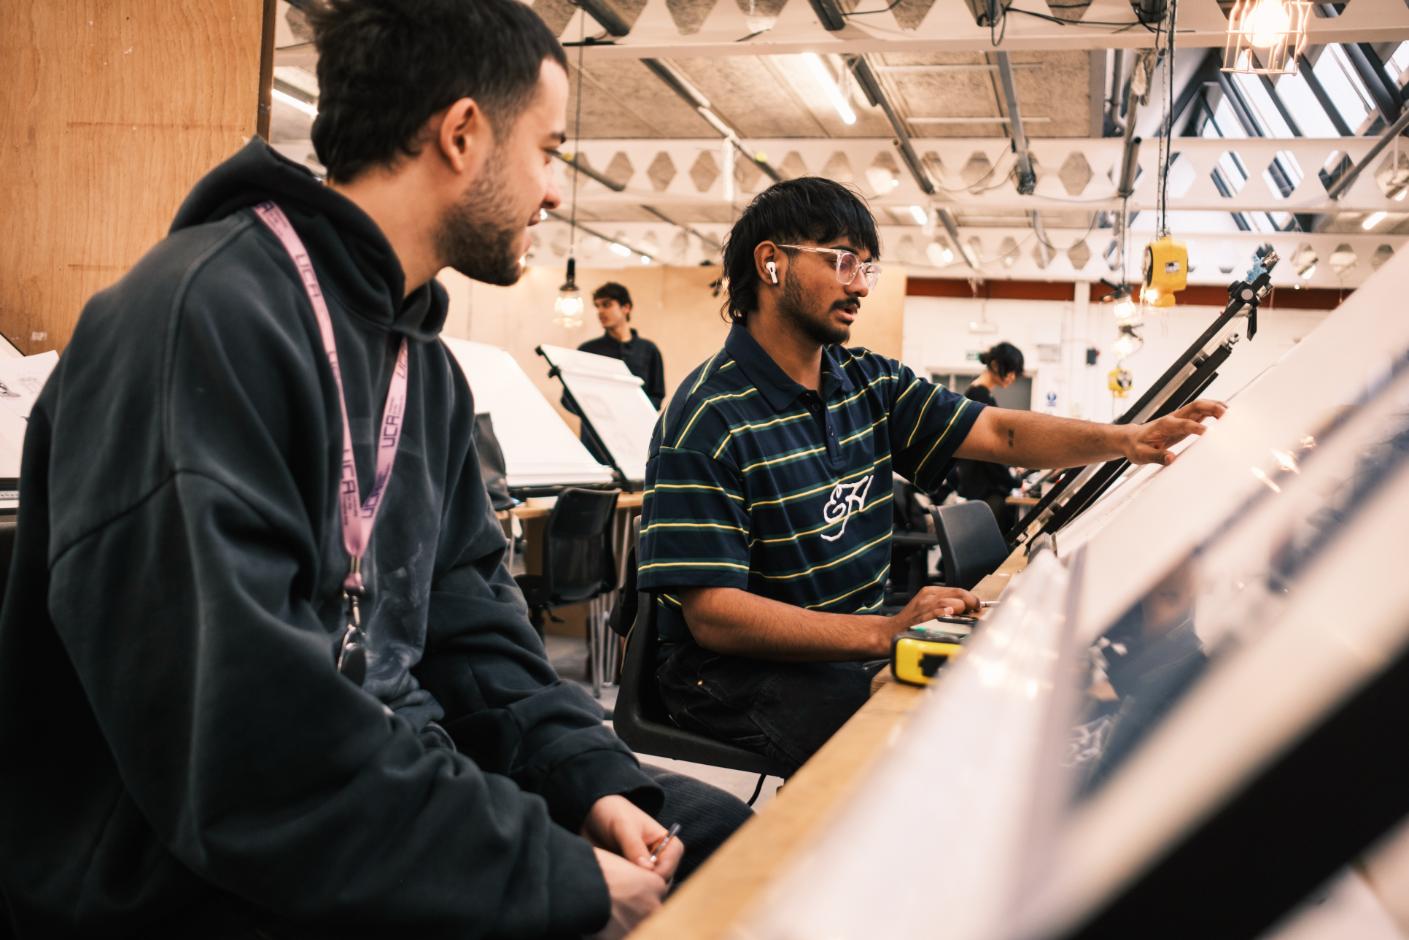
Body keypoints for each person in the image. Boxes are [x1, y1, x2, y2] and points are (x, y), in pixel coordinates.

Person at [0, 2, 748, 937]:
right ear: (463, 134)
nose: (555, 192)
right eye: (549, 150)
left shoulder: (421, 364)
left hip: (372, 781)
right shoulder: (196, 321)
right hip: (192, 865)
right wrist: (546, 871)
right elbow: (242, 751)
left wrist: (589, 782)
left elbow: (475, 628)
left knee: (714, 835)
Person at [637, 177, 1224, 777]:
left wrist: (1125, 439)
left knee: (981, 708)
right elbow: (713, 614)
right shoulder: (707, 417)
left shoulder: (867, 382)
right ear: (771, 264)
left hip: (841, 644)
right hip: (731, 673)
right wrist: (883, 632)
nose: (861, 284)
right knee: (921, 758)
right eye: (843, 261)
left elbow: (1000, 434)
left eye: (867, 267)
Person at [567, 282, 666, 464]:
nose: (600, 312)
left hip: (634, 441)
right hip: (596, 445)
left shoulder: (649, 350)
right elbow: (568, 398)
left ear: (626, 307)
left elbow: (657, 396)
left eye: (607, 304)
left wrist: (631, 410)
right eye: (597, 306)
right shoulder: (587, 350)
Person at [955, 341, 1026, 532]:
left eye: (1015, 373)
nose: (1012, 377)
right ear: (995, 366)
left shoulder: (982, 394)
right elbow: (989, 450)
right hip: (982, 488)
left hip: (981, 484)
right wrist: (1014, 481)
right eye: (1010, 370)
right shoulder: (979, 396)